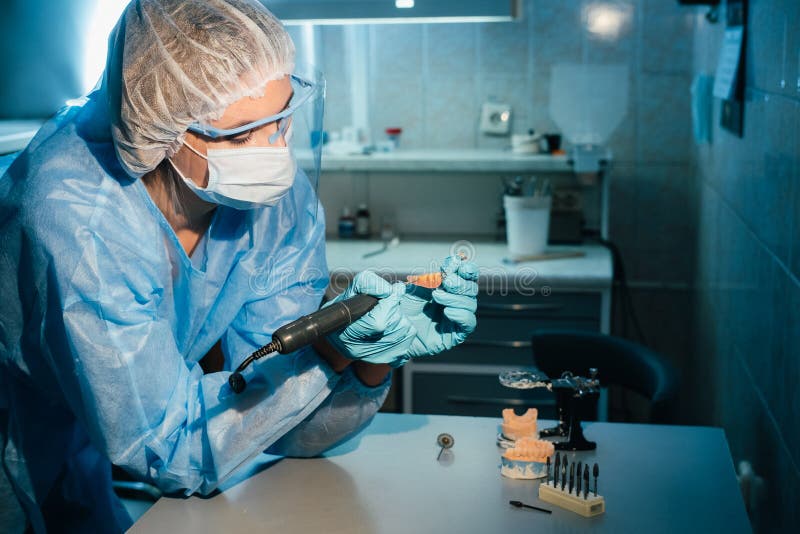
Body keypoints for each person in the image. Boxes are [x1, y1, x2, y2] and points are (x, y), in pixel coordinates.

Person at [0, 1, 479, 532]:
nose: (273, 152)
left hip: (92, 448)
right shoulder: (79, 219)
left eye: (281, 120)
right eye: (238, 134)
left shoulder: (276, 206)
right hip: (16, 430)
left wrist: (362, 361)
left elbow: (273, 423)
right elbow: (168, 449)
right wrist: (323, 353)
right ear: (160, 129)